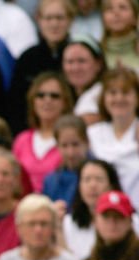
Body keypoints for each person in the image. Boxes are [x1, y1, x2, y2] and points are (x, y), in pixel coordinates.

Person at [6, 0, 74, 133]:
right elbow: (15, 105)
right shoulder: (27, 58)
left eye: (60, 18)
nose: (54, 24)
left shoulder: (78, 55)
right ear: (39, 20)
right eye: (48, 18)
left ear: (70, 20)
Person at [61, 158, 138, 259]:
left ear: (111, 185)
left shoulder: (135, 222)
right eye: (87, 179)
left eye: (99, 179)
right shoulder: (67, 223)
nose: (93, 185)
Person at [13, 72, 75, 191]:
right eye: (40, 95)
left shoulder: (72, 139)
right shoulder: (22, 140)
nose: (47, 100)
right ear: (33, 101)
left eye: (54, 96)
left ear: (65, 102)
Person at [87, 66, 139, 207]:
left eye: (126, 92)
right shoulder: (92, 134)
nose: (119, 98)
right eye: (112, 93)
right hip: (104, 215)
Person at [42, 115, 90, 207]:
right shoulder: (51, 180)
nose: (70, 153)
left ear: (87, 143)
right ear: (57, 146)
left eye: (75, 144)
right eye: (64, 145)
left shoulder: (101, 174)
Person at [63, 36, 105, 126]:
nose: (75, 68)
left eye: (82, 61)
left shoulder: (103, 92)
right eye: (70, 62)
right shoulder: (62, 96)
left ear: (98, 64)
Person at [101, 0, 139, 72]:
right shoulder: (95, 53)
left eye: (122, 7)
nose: (116, 12)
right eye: (109, 8)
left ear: (135, 18)